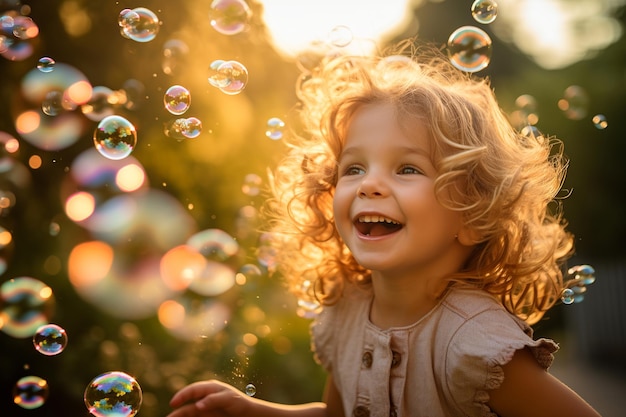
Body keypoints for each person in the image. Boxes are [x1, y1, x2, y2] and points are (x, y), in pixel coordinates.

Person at [166, 42, 601, 417]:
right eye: (353, 168)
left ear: (472, 215)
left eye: (407, 168)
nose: (369, 184)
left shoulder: (474, 344)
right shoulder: (346, 314)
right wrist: (258, 411)